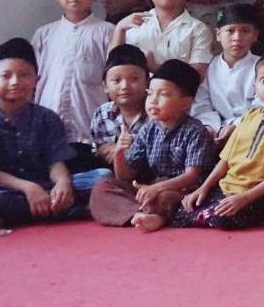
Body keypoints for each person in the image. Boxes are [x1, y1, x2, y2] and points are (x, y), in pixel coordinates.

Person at [0, 39, 100, 225]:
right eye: (6, 76)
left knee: (102, 177)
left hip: (47, 184)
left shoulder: (48, 118)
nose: (15, 82)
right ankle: (67, 211)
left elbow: (55, 161)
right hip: (10, 189)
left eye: (24, 75)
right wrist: (29, 188)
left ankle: (30, 213)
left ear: (36, 80)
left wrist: (63, 183)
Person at [176, 50, 264, 230]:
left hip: (258, 195)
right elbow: (225, 160)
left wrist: (244, 198)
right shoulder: (249, 116)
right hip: (227, 188)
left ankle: (214, 214)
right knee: (183, 209)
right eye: (263, 80)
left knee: (223, 218)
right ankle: (203, 212)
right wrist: (203, 188)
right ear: (255, 87)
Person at [87, 59, 214, 231]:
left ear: (185, 102)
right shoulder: (149, 129)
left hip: (182, 189)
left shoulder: (195, 130)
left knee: (166, 197)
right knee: (102, 187)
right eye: (150, 93)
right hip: (152, 187)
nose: (153, 100)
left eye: (163, 94)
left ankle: (148, 214)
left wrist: (156, 188)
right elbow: (125, 177)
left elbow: (192, 176)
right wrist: (119, 154)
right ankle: (142, 214)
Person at [32, 0, 114, 159]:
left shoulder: (107, 32)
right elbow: (32, 81)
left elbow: (115, 80)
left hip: (89, 132)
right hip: (46, 132)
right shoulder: (44, 34)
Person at [115, 0, 214, 76]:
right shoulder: (132, 24)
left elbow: (197, 76)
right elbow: (112, 70)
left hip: (180, 89)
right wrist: (119, 29)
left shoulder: (198, 30)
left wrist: (155, 67)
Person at [193, 4, 262, 139]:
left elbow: (262, 105)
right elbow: (202, 103)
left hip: (251, 129)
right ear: (218, 34)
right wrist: (210, 127)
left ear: (255, 35)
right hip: (215, 130)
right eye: (230, 31)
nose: (237, 37)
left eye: (245, 31)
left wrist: (235, 126)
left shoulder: (263, 67)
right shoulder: (209, 67)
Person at [87, 45, 149, 169]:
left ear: (147, 82)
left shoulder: (156, 114)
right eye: (116, 80)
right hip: (112, 172)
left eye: (134, 79)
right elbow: (97, 148)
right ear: (105, 86)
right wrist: (108, 149)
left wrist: (128, 151)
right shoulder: (102, 113)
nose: (125, 86)